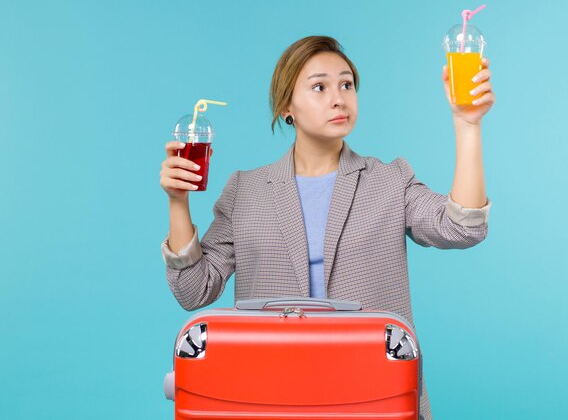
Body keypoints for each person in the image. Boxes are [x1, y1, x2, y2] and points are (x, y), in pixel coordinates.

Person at [160, 35, 495, 419]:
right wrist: (177, 201)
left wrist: (468, 125)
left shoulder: (390, 180)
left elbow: (462, 227)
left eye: (347, 84)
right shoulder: (245, 191)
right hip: (270, 398)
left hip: (373, 397)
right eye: (319, 86)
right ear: (287, 107)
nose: (339, 98)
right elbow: (193, 290)